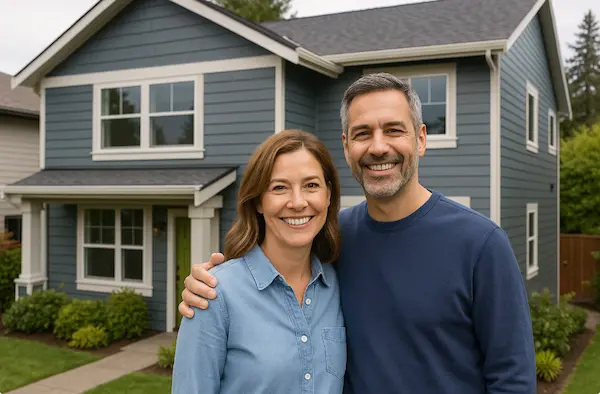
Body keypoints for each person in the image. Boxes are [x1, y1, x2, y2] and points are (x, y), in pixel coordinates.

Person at [178, 73, 537, 393]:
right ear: (347, 146)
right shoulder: (334, 240)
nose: (378, 146)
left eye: (394, 129)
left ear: (422, 138)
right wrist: (208, 283)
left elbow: (512, 380)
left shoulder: (481, 244)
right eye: (363, 133)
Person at [171, 129, 346, 393]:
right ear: (258, 203)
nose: (298, 202)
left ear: (328, 195)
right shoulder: (214, 294)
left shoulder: (337, 282)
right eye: (279, 188)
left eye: (311, 185)